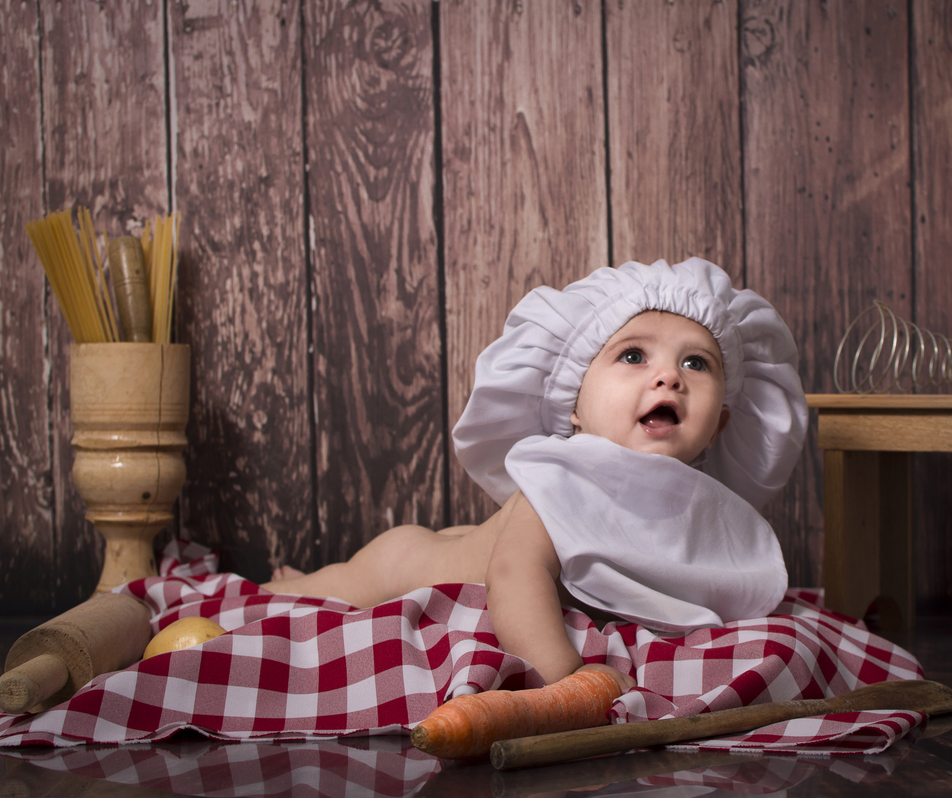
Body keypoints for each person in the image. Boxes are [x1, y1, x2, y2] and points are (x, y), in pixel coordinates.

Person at [264, 258, 808, 691]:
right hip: (418, 565)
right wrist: (562, 673)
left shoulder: (704, 506)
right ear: (572, 402)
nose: (668, 376)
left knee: (481, 536)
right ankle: (283, 585)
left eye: (696, 363)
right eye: (634, 355)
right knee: (346, 585)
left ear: (721, 425)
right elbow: (515, 574)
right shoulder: (566, 477)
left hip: (486, 546)